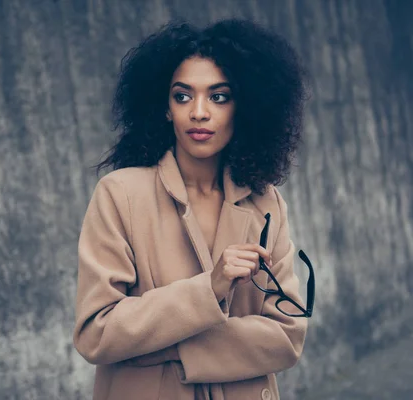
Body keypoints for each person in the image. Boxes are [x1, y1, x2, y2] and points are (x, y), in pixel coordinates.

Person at [73, 18, 311, 400]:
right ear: (165, 107)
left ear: (244, 106)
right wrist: (209, 290)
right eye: (182, 96)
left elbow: (287, 336)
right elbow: (96, 332)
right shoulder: (120, 195)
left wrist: (164, 348)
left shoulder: (267, 204)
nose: (198, 112)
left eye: (219, 96)